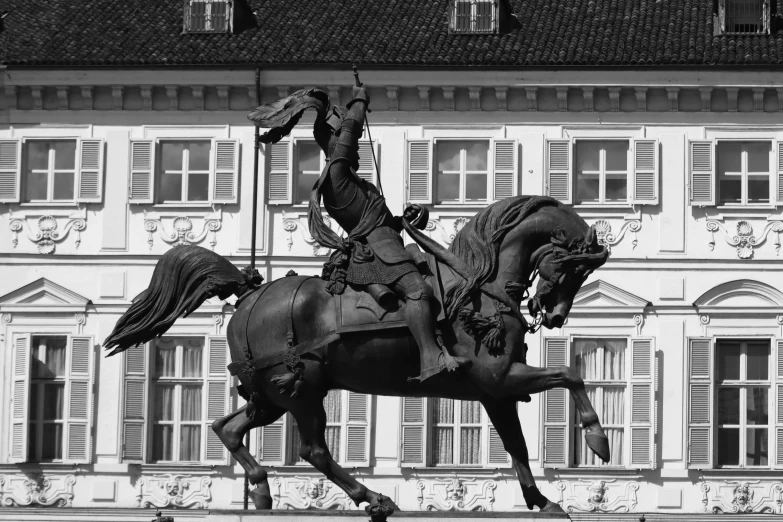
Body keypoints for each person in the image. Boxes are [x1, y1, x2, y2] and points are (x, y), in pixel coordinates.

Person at [304, 84, 472, 383]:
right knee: (419, 292)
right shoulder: (336, 178)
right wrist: (358, 101)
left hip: (392, 244)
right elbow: (350, 134)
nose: (350, 147)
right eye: (342, 140)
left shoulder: (354, 182)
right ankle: (431, 357)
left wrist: (404, 219)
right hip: (379, 252)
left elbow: (379, 221)